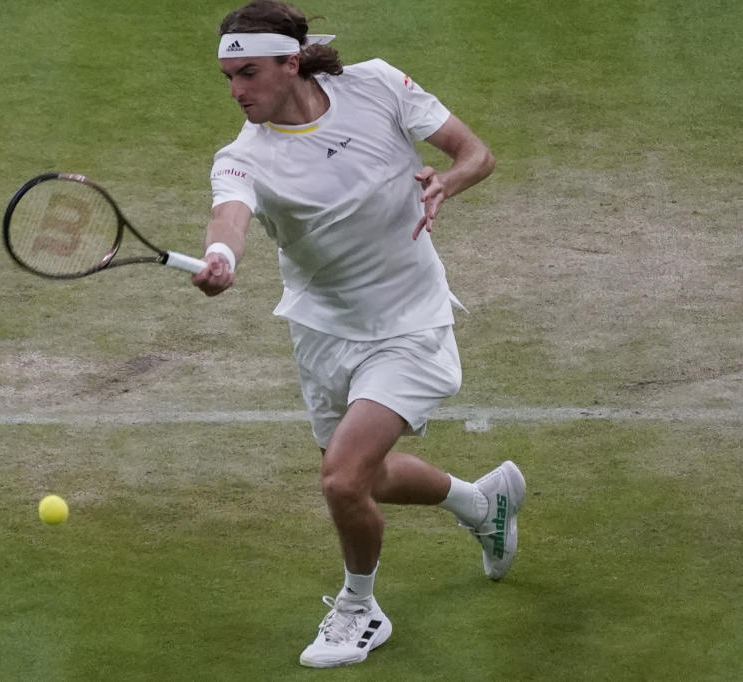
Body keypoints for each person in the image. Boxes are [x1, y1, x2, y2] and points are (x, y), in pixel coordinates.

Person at [192, 0, 525, 669]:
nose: (236, 91)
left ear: (292, 62)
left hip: (411, 321)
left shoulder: (376, 85)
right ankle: (480, 502)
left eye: (249, 73)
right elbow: (229, 216)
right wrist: (222, 257)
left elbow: (475, 154)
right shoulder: (242, 156)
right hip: (323, 332)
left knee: (342, 482)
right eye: (228, 77)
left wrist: (447, 181)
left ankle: (359, 611)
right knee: (361, 480)